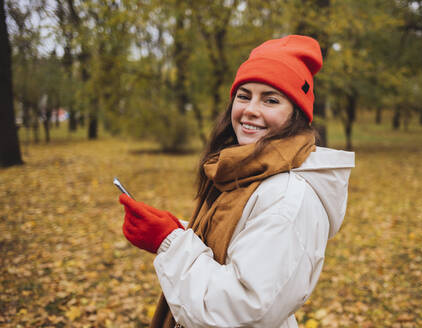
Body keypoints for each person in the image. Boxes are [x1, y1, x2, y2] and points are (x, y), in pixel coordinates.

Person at [119, 35, 355, 328]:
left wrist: (168, 242)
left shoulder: (287, 199)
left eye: (270, 99)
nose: (251, 110)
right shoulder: (245, 172)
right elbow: (238, 247)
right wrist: (177, 229)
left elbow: (241, 310)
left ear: (297, 115)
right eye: (244, 96)